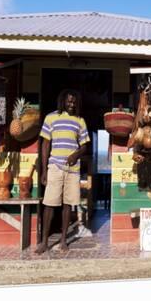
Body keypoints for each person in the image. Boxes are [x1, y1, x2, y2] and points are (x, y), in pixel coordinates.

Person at [35, 89, 90, 254]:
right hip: (55, 167)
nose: (72, 104)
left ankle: (64, 241)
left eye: (74, 101)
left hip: (73, 170)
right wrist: (44, 170)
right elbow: (45, 145)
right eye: (69, 101)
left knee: (68, 205)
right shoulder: (51, 117)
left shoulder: (80, 121)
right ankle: (44, 242)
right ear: (62, 101)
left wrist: (76, 154)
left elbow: (85, 146)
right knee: (50, 204)